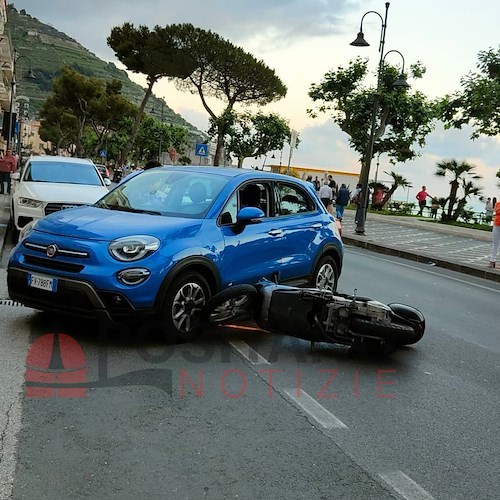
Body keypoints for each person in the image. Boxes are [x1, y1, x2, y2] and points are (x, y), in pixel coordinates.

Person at [488, 198, 500, 268]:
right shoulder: (497, 204)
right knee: (495, 243)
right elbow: (493, 211)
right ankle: (492, 260)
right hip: (496, 224)